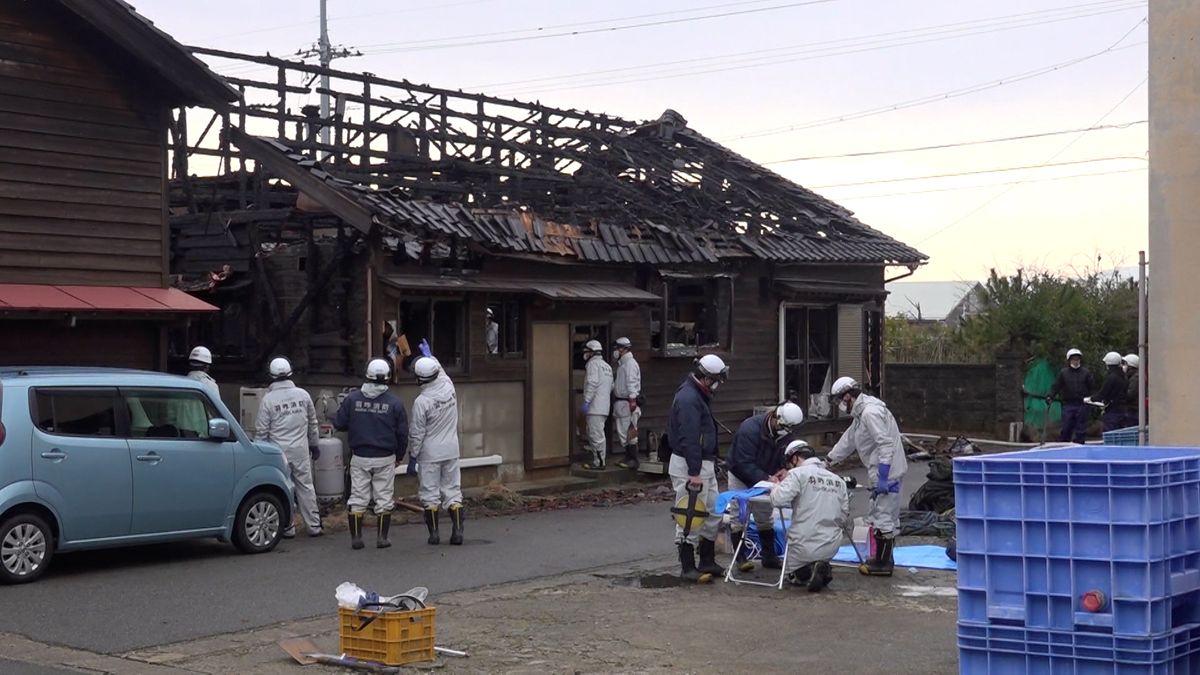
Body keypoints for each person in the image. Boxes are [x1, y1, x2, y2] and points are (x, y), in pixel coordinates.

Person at [826, 376, 906, 577]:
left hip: (887, 472)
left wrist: (883, 478)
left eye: (839, 400)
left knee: (883, 517)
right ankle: (883, 559)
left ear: (847, 396)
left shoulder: (870, 413)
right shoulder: (862, 414)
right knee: (879, 514)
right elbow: (848, 441)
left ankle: (883, 564)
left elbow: (885, 445)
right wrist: (827, 461)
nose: (839, 405)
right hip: (881, 470)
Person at [334, 358, 408, 550]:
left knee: (357, 497)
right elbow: (402, 434)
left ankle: (356, 538)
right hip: (385, 456)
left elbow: (339, 423)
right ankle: (382, 538)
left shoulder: (352, 399)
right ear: (387, 378)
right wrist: (400, 455)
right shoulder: (395, 403)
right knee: (383, 498)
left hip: (360, 455)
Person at [667, 354, 729, 582]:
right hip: (691, 464)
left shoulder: (697, 395)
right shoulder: (689, 399)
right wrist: (694, 471)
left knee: (713, 509)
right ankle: (687, 565)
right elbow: (689, 437)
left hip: (703, 462)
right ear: (706, 378)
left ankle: (706, 559)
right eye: (716, 380)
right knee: (690, 513)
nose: (718, 385)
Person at [725, 401, 805, 572]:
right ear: (775, 417)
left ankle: (769, 556)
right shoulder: (749, 429)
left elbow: (787, 454)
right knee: (738, 512)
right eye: (783, 427)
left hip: (768, 471)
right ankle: (740, 557)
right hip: (739, 472)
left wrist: (784, 468)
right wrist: (766, 478)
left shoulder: (786, 432)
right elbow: (742, 462)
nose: (785, 431)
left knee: (765, 513)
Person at [769, 440, 850, 592]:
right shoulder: (838, 481)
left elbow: (777, 499)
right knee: (815, 554)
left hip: (803, 543)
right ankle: (820, 566)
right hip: (831, 545)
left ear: (794, 458)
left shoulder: (797, 474)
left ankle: (805, 571)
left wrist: (776, 485)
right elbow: (844, 515)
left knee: (793, 577)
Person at [255, 357, 322, 538]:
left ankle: (288, 527)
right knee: (306, 487)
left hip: (278, 453)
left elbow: (262, 431)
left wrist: (259, 453)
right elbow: (313, 424)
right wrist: (314, 445)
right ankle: (314, 526)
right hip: (301, 449)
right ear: (290, 372)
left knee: (285, 488)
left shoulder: (268, 400)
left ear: (271, 375)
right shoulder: (303, 395)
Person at [409, 355, 465, 546]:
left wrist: (412, 456)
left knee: (429, 493)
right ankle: (458, 531)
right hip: (451, 449)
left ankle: (434, 534)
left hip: (430, 453)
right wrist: (431, 356)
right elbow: (440, 372)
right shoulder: (450, 388)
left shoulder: (422, 401)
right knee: (452, 491)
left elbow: (417, 432)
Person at [1048, 348, 1096, 444]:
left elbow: (1092, 387)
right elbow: (1056, 386)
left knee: (1081, 429)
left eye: (1077, 359)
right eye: (1073, 359)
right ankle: (1063, 447)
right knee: (1066, 427)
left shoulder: (1086, 373)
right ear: (1069, 360)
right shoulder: (1063, 373)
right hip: (1068, 404)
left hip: (1082, 404)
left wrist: (1093, 398)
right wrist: (1050, 396)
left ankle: (1080, 447)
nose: (1076, 361)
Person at [581, 339, 613, 469]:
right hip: (604, 406)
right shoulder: (607, 366)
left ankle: (599, 462)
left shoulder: (593, 365)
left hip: (595, 407)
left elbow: (592, 383)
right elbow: (611, 386)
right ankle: (599, 460)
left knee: (596, 435)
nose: (585, 354)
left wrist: (587, 401)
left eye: (586, 351)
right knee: (597, 433)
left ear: (592, 352)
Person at [612, 337, 643, 470]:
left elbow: (632, 382)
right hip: (621, 403)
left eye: (617, 348)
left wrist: (632, 400)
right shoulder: (623, 364)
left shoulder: (630, 364)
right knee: (623, 432)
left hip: (627, 402)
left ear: (623, 349)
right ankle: (628, 457)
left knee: (629, 432)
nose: (615, 351)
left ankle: (633, 459)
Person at [1092, 351, 1128, 433]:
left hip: (1112, 411)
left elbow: (1103, 393)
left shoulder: (1111, 378)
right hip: (1122, 409)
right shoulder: (1123, 377)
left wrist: (1092, 398)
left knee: (1111, 433)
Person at [1123, 353, 1141, 428]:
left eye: (1125, 364)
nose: (1123, 367)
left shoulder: (1135, 379)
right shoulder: (1133, 377)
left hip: (1133, 410)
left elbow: (1130, 394)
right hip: (1133, 409)